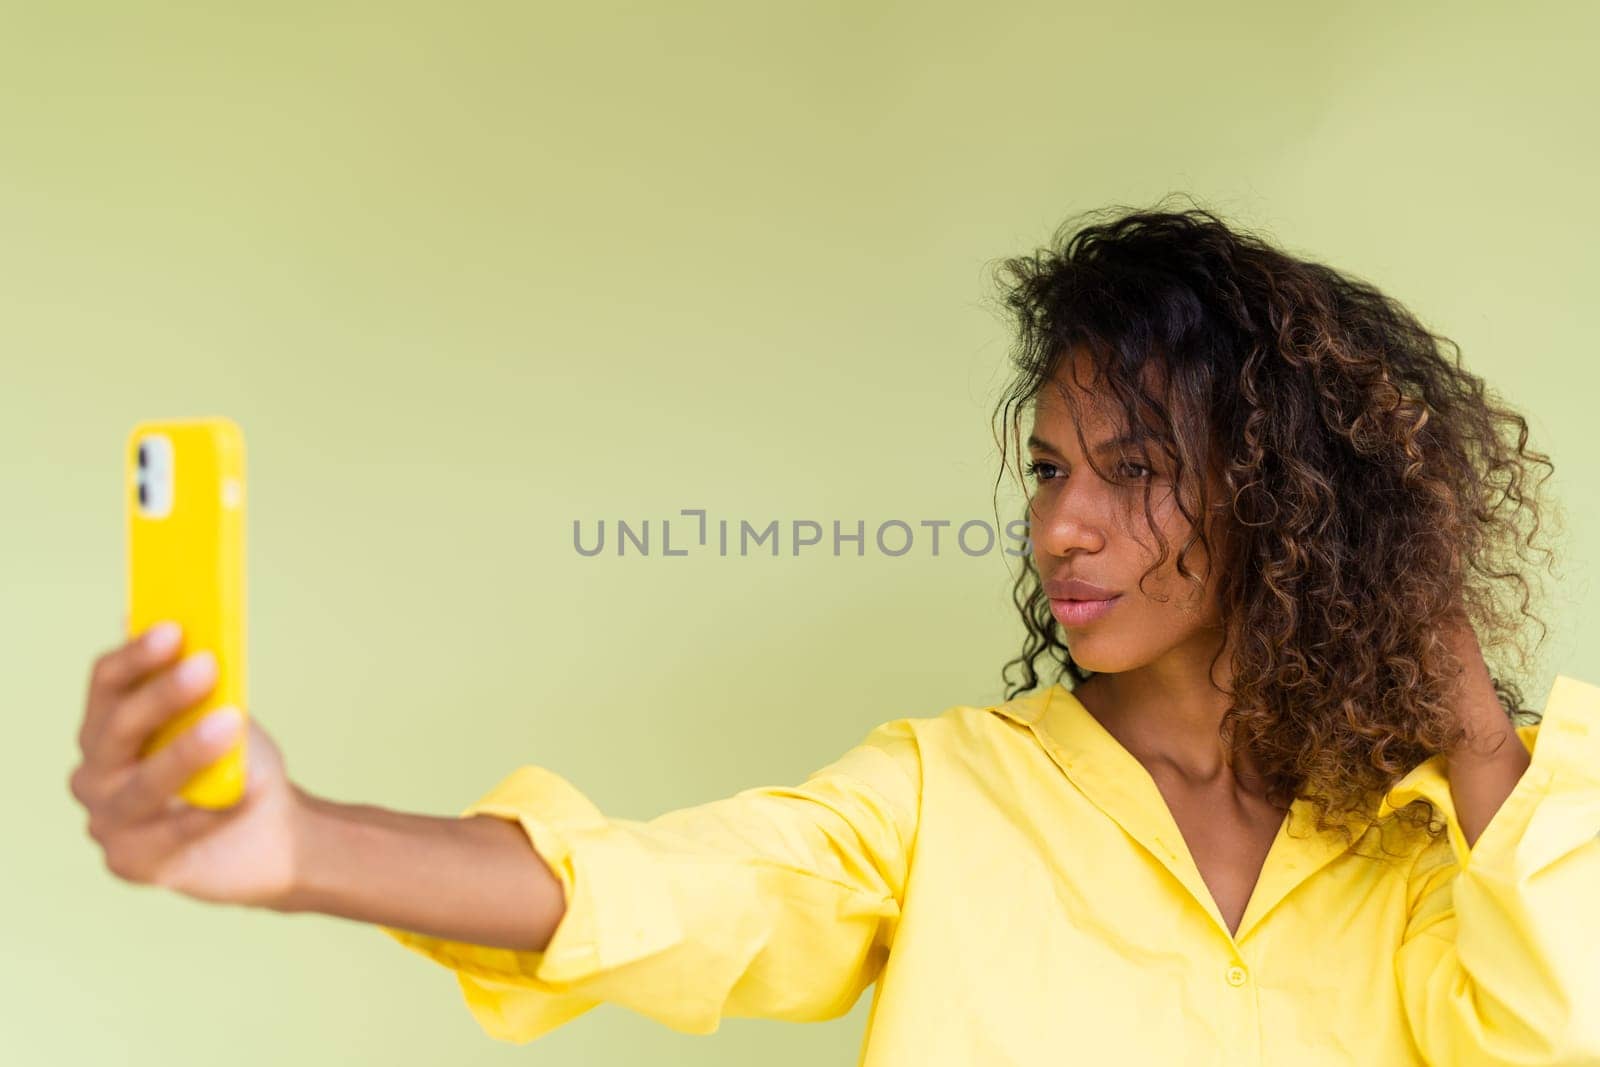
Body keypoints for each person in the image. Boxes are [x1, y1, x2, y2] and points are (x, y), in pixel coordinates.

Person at [69, 202, 1600, 1065]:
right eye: (1053, 471)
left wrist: (1465, 724)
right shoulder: (944, 800)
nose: (1062, 526)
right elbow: (663, 891)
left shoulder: (1438, 858)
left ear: (1290, 503)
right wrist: (296, 844)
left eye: (1136, 474)